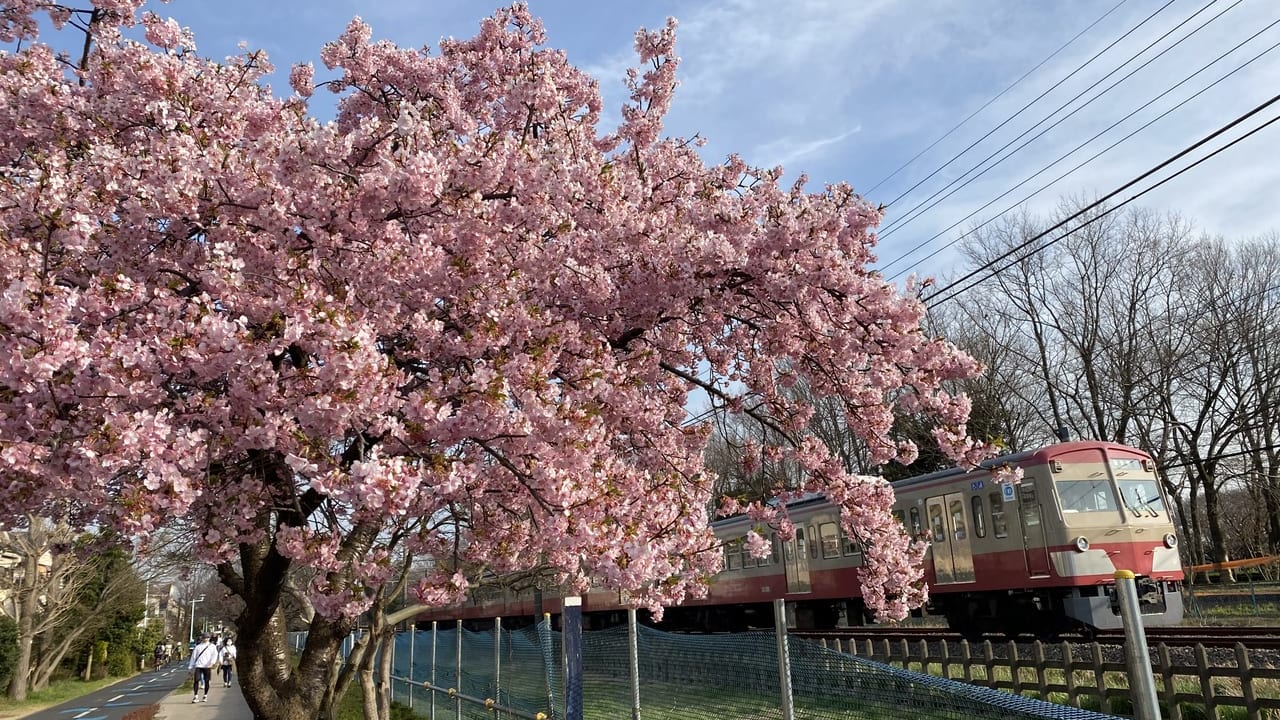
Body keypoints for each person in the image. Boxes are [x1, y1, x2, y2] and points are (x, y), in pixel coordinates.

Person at [187, 634, 219, 703]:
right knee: (196, 680)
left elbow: (215, 655)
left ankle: (205, 695)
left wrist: (212, 663)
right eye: (204, 638)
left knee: (207, 681)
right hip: (198, 665)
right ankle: (195, 696)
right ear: (202, 638)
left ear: (209, 638)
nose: (206, 639)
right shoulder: (198, 647)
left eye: (207, 638)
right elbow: (193, 657)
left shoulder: (212, 646)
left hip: (207, 666)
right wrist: (190, 667)